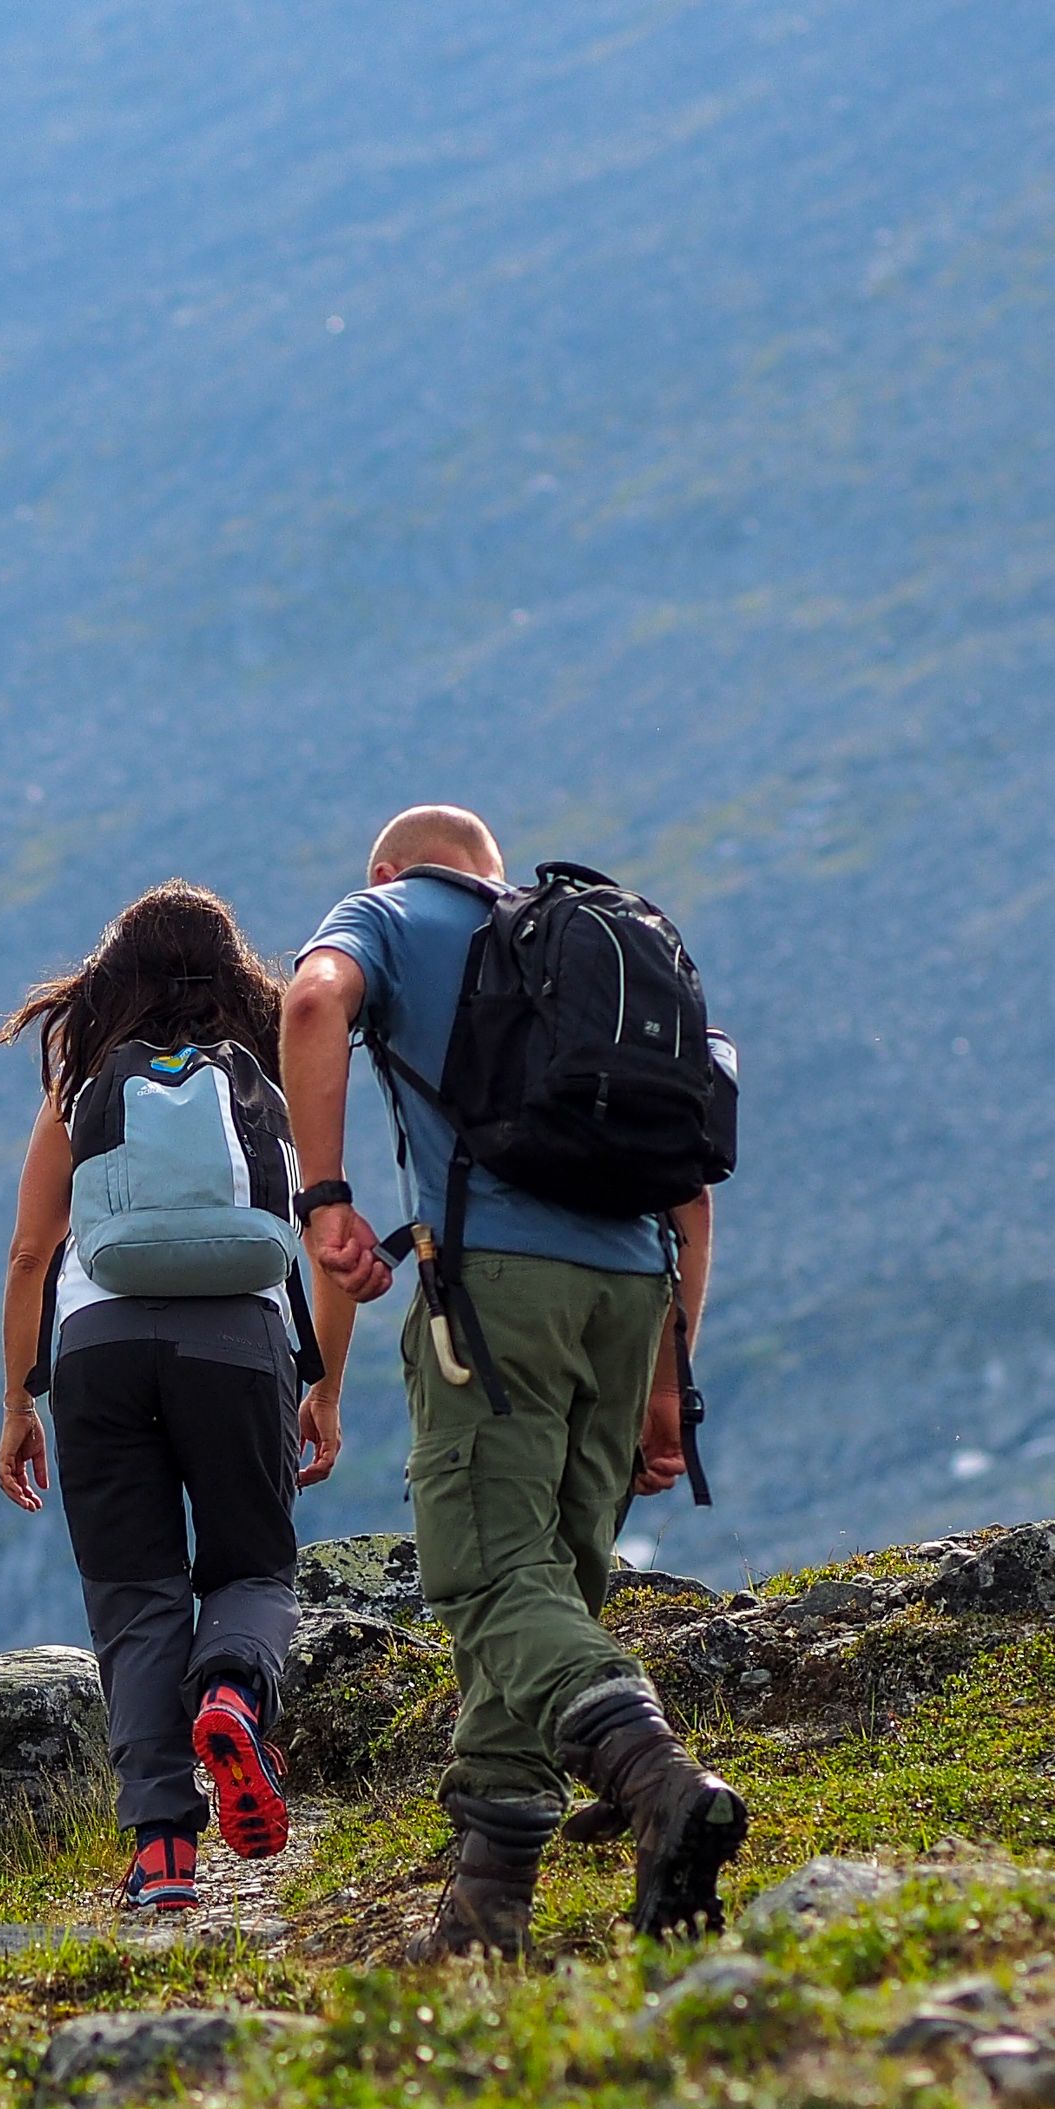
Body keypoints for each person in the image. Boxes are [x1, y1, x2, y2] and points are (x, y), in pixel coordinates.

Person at [282, 804, 746, 1958]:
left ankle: (658, 1782)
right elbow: (691, 1188)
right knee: (545, 1590)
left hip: (497, 1286)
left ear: (390, 868)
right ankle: (485, 1917)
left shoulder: (388, 912)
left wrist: (324, 1197)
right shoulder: (596, 939)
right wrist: (661, 1380)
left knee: (491, 1580)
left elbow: (307, 1004)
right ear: (494, 873)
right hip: (632, 1294)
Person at [0, 882, 354, 1916]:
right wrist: (321, 1383)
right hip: (241, 1344)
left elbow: (29, 1252)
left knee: (134, 1594)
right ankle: (235, 1692)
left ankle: (161, 1854)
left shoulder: (84, 1088)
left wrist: (21, 1399)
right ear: (237, 973)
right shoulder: (281, 1080)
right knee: (251, 1564)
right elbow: (330, 1246)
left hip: (97, 1352)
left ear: (112, 979)